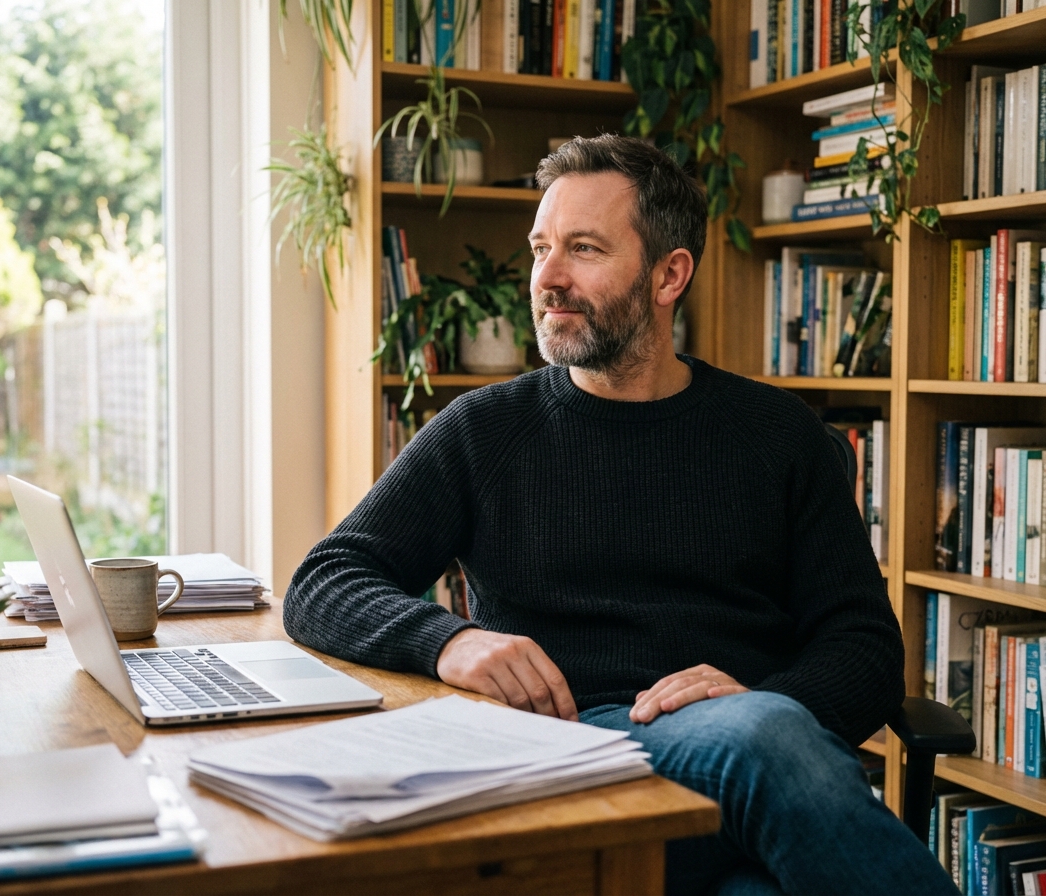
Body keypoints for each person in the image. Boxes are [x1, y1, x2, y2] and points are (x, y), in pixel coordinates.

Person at [284, 134, 956, 895]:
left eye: (584, 249)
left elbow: (864, 648)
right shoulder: (483, 431)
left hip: (742, 766)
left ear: (670, 275)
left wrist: (775, 705)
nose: (548, 277)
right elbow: (323, 581)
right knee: (764, 762)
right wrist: (452, 640)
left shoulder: (781, 437)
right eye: (541, 248)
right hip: (563, 762)